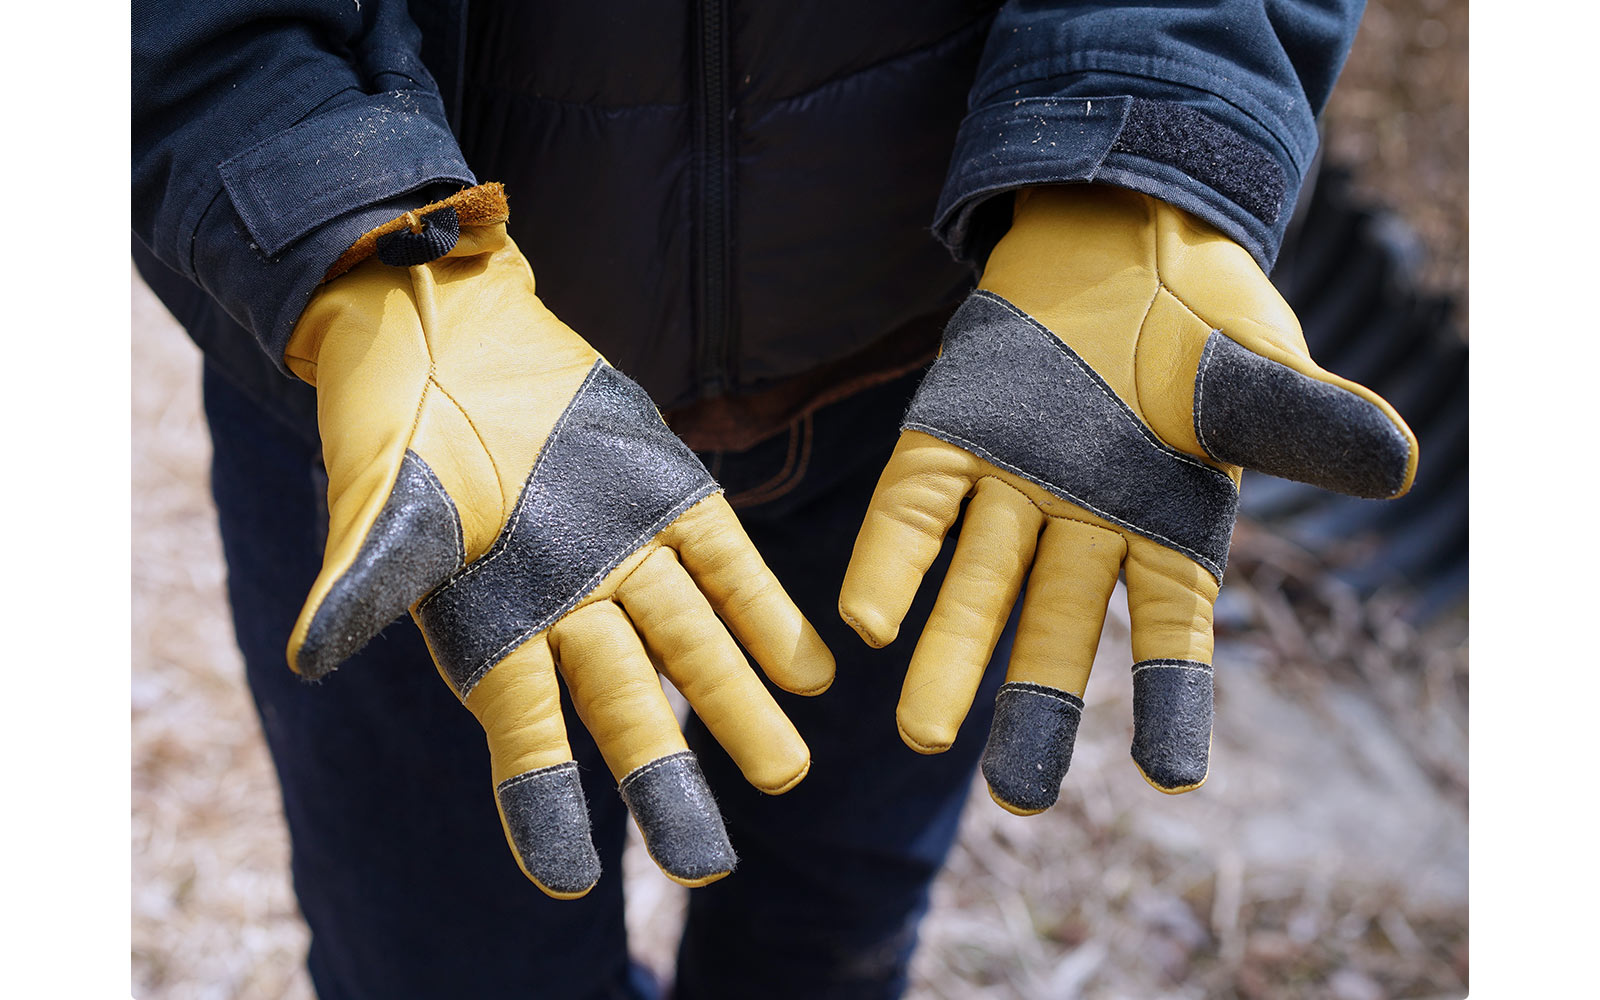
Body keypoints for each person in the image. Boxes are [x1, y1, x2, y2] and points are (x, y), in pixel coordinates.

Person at [131, 3, 1416, 997]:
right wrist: (351, 242)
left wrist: (1141, 140)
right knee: (446, 967)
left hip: (941, 393)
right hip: (423, 435)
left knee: (828, 940)